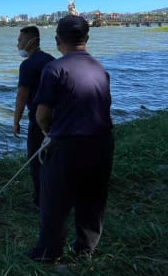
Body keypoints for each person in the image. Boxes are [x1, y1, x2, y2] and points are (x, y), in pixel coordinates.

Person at [28, 15, 114, 262]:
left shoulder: (54, 69)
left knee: (54, 200)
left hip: (68, 145)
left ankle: (47, 254)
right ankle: (85, 249)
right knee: (93, 198)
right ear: (87, 38)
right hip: (102, 141)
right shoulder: (100, 68)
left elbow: (42, 114)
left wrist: (47, 133)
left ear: (57, 40)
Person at [13, 25, 55, 208]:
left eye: (20, 41)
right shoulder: (52, 60)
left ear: (32, 41)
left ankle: (40, 202)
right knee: (53, 159)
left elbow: (22, 97)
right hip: (56, 118)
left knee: (36, 161)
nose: (18, 44)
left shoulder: (27, 65)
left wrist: (15, 122)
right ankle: (55, 194)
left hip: (37, 119)